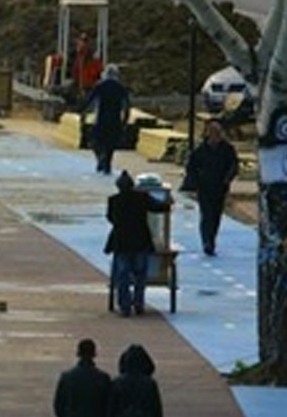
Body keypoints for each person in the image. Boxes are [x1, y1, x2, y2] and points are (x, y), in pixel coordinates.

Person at [105, 170, 172, 317]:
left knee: (122, 274)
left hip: (121, 241)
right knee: (140, 274)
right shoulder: (142, 198)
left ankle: (125, 305)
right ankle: (138, 302)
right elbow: (160, 208)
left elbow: (110, 218)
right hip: (140, 240)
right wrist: (169, 201)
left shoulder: (113, 200)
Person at [182, 119, 240, 255]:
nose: (215, 136)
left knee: (215, 215)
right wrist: (195, 181)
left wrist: (227, 179)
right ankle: (207, 242)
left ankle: (211, 239)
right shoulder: (201, 150)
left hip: (220, 187)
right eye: (212, 132)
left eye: (217, 132)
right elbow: (191, 167)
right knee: (206, 214)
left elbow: (234, 165)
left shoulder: (227, 149)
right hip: (204, 187)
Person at [80, 64, 131, 174]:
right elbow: (126, 106)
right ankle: (107, 163)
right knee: (110, 145)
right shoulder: (120, 88)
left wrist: (83, 114)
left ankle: (101, 158)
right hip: (115, 120)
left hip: (101, 119)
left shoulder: (100, 86)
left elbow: (90, 101)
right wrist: (125, 120)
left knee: (96, 142)